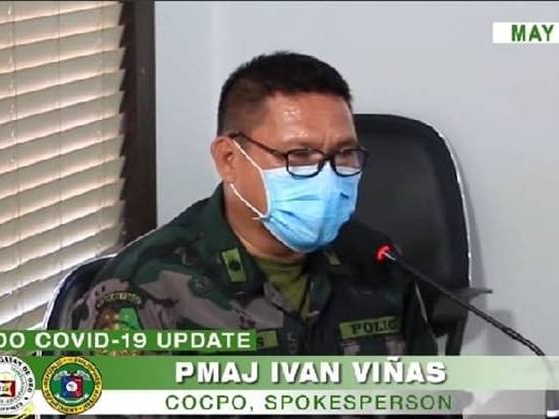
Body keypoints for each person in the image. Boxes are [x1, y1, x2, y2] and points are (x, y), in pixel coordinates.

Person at [70, 51, 437, 355]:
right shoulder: (142, 290)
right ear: (229, 159)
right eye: (299, 155)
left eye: (344, 154)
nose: (327, 178)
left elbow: (427, 402)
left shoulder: (378, 264)